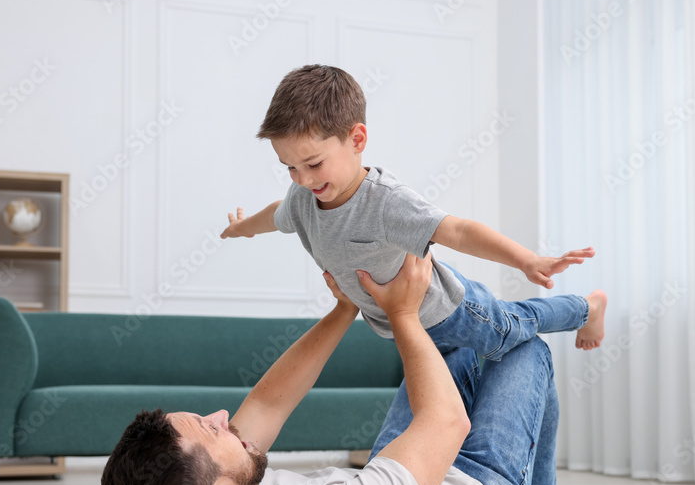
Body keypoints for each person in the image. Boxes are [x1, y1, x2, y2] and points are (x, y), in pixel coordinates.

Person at [101, 253, 588, 485]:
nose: (224, 416)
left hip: (390, 483)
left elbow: (270, 402)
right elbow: (447, 423)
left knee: (453, 337)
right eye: (212, 429)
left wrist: (344, 308)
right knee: (523, 351)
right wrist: (401, 316)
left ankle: (571, 308)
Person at [221, 64, 607, 358]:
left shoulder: (386, 202)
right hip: (411, 331)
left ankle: (586, 307)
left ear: (356, 139)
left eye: (313, 164)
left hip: (452, 311)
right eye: (289, 167)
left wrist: (526, 260)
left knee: (509, 326)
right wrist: (244, 228)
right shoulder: (303, 199)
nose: (302, 179)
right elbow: (277, 215)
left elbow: (458, 230)